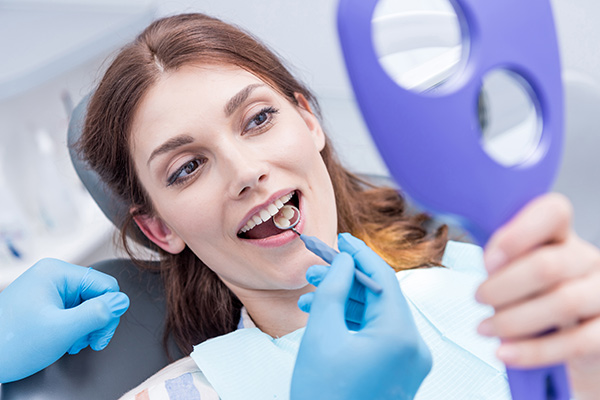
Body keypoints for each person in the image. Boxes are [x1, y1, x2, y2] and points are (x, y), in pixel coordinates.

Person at [7, 11, 600, 399]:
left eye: (258, 119)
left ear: (309, 120)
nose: (246, 173)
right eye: (187, 167)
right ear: (160, 229)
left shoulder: (497, 284)